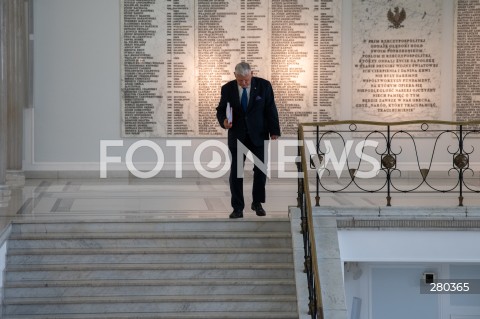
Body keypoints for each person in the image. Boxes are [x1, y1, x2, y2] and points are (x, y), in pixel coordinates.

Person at [216, 62, 281, 219]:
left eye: (246, 80)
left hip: (258, 135)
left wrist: (274, 131)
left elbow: (270, 108)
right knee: (237, 173)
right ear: (235, 76)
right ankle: (237, 207)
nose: (244, 83)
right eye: (240, 80)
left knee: (260, 170)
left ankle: (257, 203)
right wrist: (224, 121)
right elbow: (220, 109)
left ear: (252, 73)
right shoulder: (227, 88)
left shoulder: (264, 86)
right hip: (237, 135)